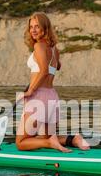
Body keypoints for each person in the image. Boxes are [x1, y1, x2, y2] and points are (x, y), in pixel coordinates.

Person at [16, 12, 90, 152]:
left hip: (38, 96)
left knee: (21, 143)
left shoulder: (39, 46)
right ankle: (73, 139)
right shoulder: (54, 49)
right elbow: (56, 67)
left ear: (45, 28)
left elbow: (43, 71)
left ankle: (51, 143)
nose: (33, 30)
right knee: (45, 136)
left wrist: (30, 90)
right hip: (51, 96)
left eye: (37, 26)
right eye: (31, 27)